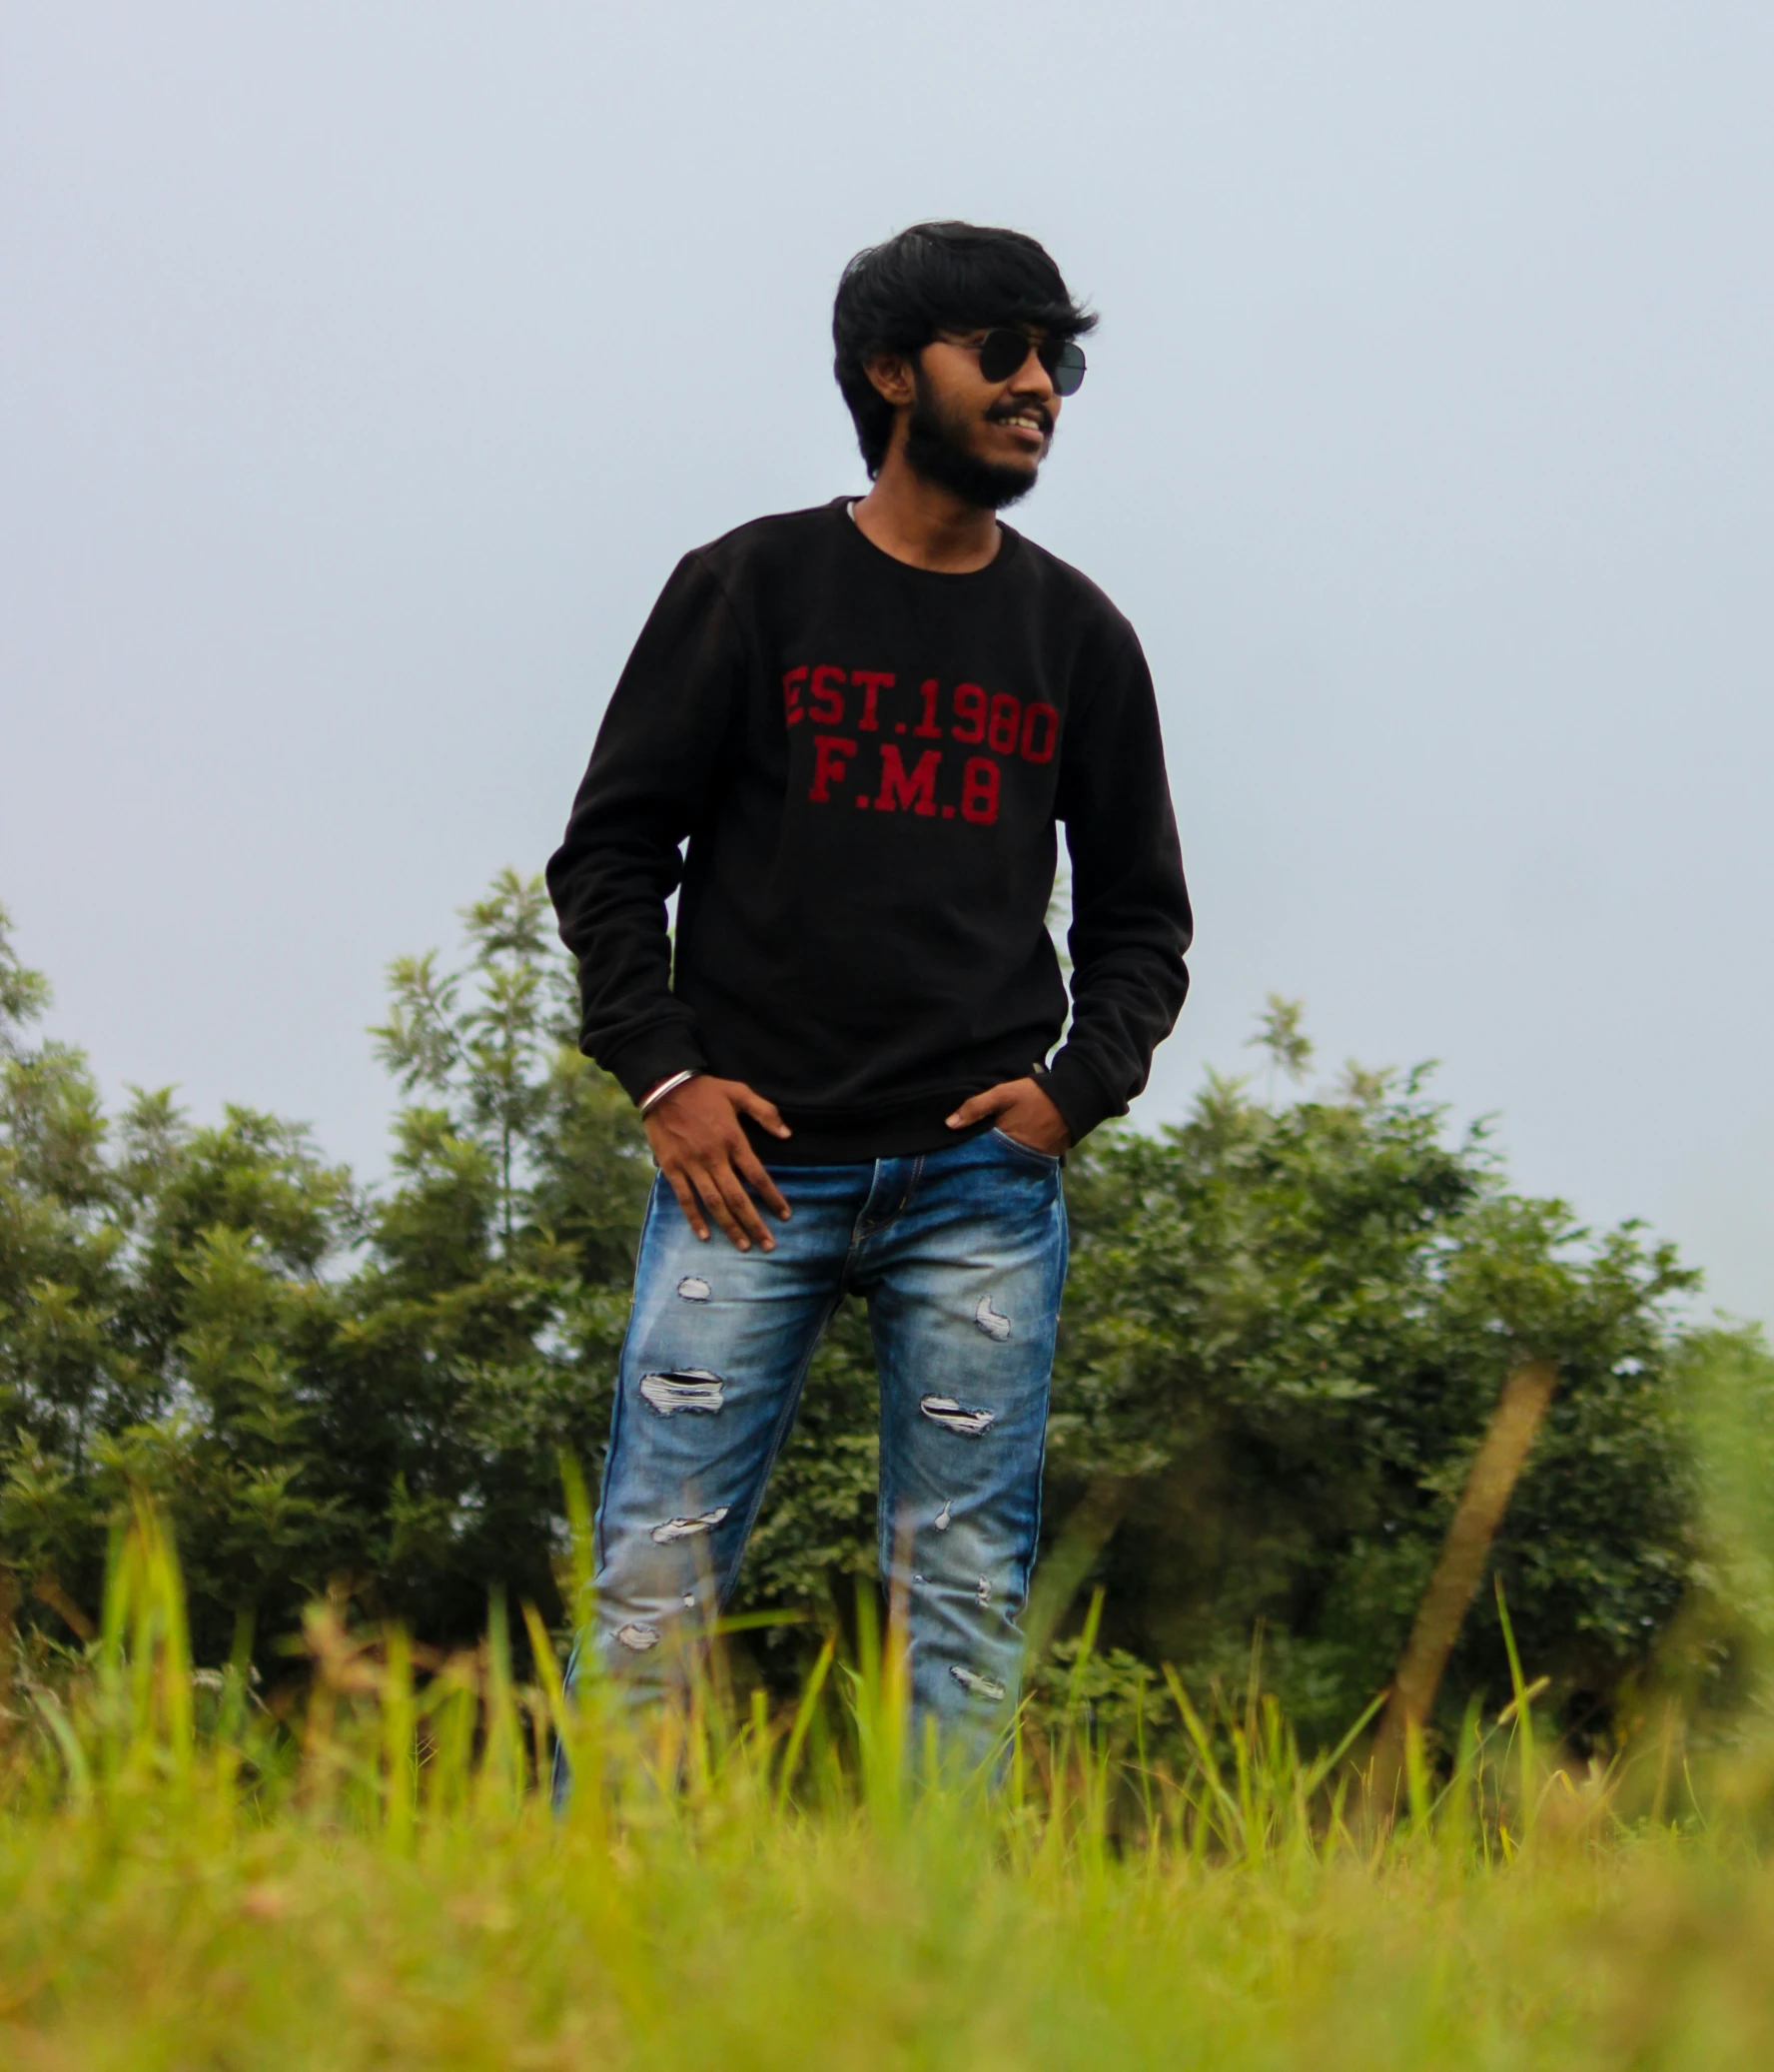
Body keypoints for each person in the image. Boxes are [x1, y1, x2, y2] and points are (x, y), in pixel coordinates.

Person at [546, 220, 1192, 1760]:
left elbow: (1144, 920)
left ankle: (932, 1957)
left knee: (962, 1597)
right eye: (1009, 351)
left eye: (1063, 359)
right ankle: (581, 1938)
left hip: (980, 1183)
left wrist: (1069, 1094)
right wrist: (664, 1076)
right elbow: (611, 853)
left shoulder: (1077, 637)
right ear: (894, 371)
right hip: (746, 1174)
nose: (1043, 386)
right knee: (655, 1579)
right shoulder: (751, 588)